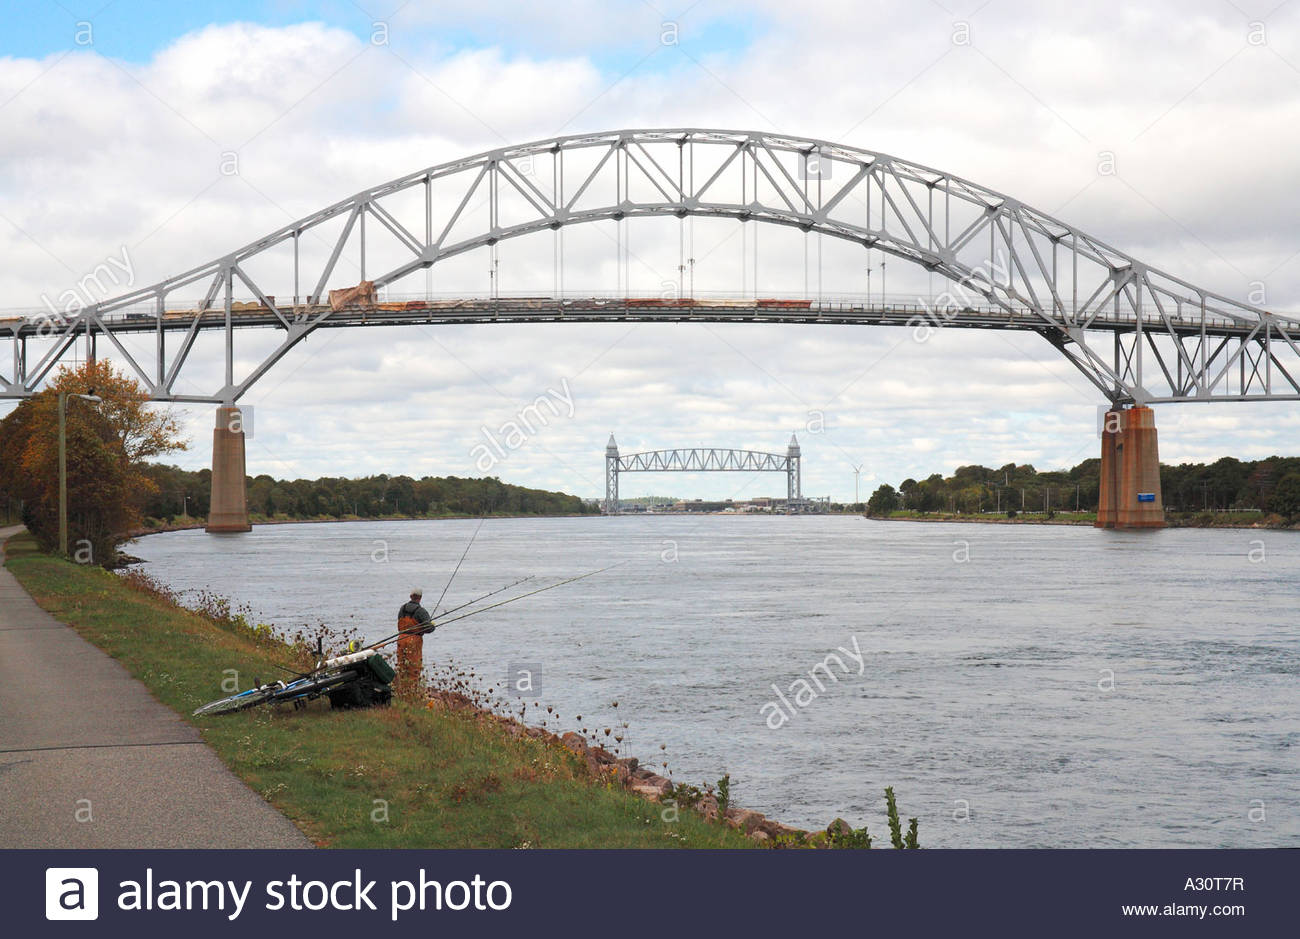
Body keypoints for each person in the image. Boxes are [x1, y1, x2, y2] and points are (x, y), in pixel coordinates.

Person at [395, 588, 432, 700]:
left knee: (402, 666)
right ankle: (412, 694)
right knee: (414, 667)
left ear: (411, 596)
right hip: (414, 640)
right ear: (420, 598)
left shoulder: (402, 608)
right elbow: (429, 628)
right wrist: (432, 626)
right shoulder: (421, 611)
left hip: (401, 638)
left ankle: (401, 692)